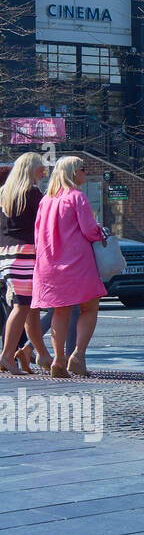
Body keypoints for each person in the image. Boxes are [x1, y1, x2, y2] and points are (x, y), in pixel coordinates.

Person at [32, 156, 106, 379]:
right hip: (76, 262)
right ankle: (78, 355)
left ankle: (58, 359)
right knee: (90, 307)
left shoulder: (46, 200)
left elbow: (37, 234)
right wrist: (100, 231)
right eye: (83, 169)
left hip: (49, 263)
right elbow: (89, 230)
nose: (85, 173)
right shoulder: (77, 197)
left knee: (60, 310)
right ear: (74, 173)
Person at [0, 153, 52, 374]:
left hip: (6, 253)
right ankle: (7, 356)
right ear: (30, 169)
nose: (43, 173)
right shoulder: (32, 194)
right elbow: (43, 225)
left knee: (31, 307)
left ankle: (42, 355)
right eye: (40, 169)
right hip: (26, 253)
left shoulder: (4, 193)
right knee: (22, 306)